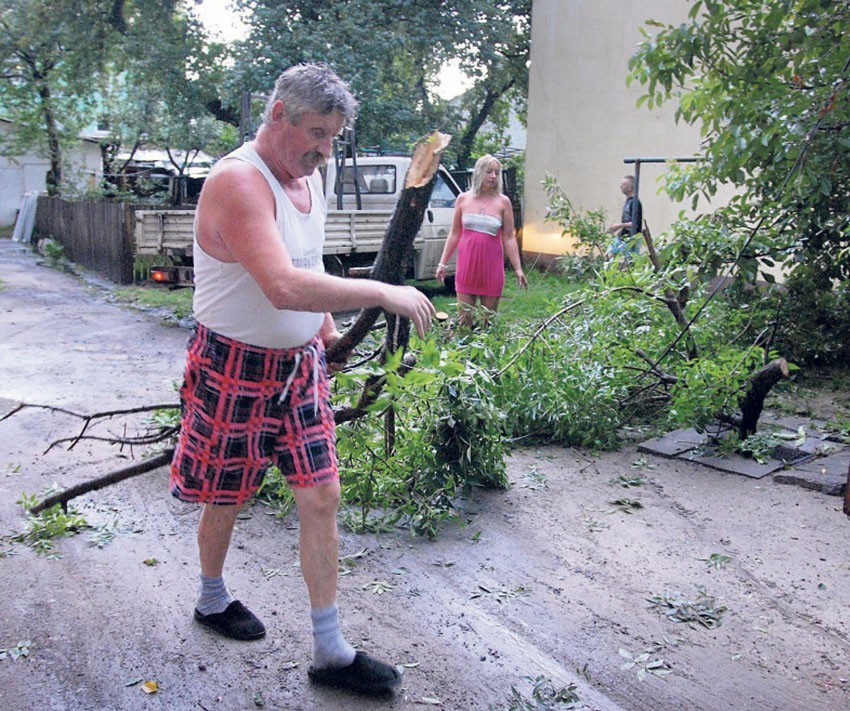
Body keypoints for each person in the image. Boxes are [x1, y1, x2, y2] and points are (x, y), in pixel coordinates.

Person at [168, 63, 435, 697]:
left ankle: (330, 651)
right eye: (315, 132)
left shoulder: (306, 182)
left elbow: (305, 270)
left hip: (299, 370)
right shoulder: (239, 182)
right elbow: (281, 284)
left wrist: (323, 335)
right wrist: (382, 290)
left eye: (333, 137)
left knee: (321, 495)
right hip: (233, 365)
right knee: (227, 495)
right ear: (277, 115)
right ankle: (211, 598)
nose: (323, 150)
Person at [435, 154, 527, 329]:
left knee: (487, 324)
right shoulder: (463, 199)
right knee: (464, 323)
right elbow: (455, 233)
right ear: (479, 173)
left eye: (496, 173)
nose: (493, 176)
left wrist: (518, 269)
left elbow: (508, 237)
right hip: (467, 268)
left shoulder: (503, 202)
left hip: (491, 270)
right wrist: (442, 263)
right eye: (489, 172)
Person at [606, 174, 643, 261]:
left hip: (632, 237)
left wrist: (619, 225)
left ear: (630, 188)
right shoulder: (628, 201)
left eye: (623, 185)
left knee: (628, 262)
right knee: (610, 254)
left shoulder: (635, 202)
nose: (620, 186)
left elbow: (635, 224)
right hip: (623, 236)